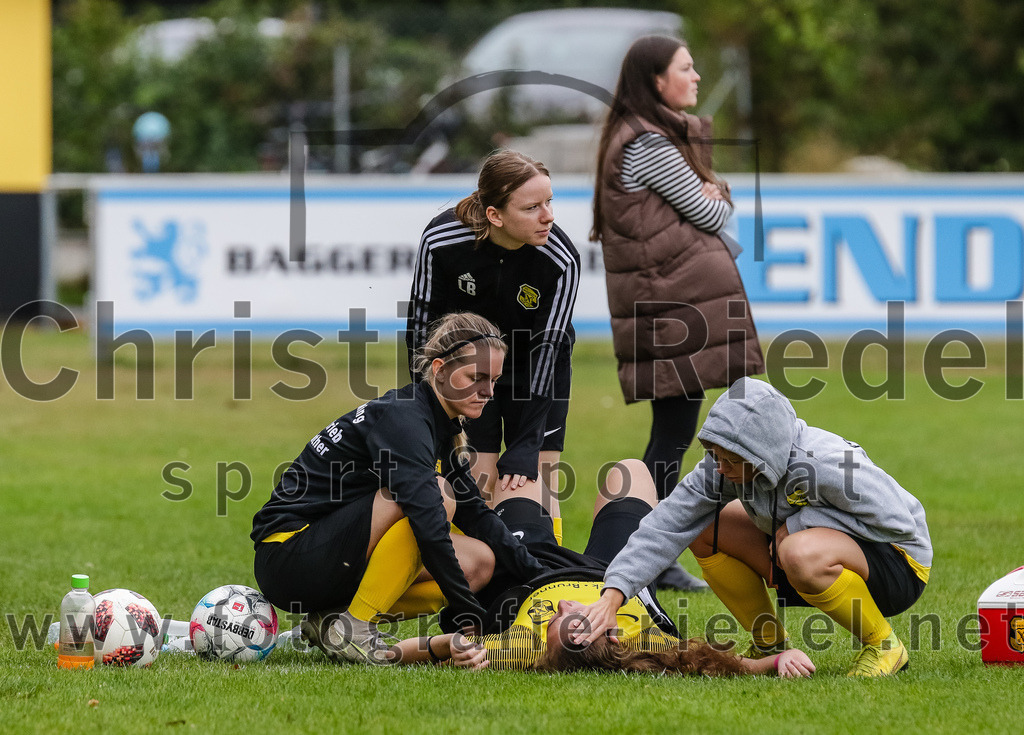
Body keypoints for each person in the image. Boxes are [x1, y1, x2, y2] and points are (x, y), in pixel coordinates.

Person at [573, 378, 932, 678]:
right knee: (703, 528)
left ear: (765, 453)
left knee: (798, 549)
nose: (719, 469)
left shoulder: (825, 463)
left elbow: (899, 524)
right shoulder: (723, 462)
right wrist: (613, 594)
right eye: (715, 455)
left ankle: (883, 645)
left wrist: (799, 525)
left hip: (899, 565)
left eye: (730, 460)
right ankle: (770, 643)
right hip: (809, 551)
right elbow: (667, 524)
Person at [251, 312, 546, 664]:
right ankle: (355, 628)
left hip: (325, 556)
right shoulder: (404, 419)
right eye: (476, 378)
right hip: (288, 555)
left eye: (494, 380)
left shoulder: (438, 423)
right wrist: (472, 617)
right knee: (437, 496)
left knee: (480, 562)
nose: (488, 392)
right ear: (439, 369)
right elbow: (430, 528)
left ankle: (331, 621)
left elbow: (478, 517)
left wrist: (541, 576)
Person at [591, 35, 765, 590]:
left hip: (674, 305)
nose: (695, 77)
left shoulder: (641, 137)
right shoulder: (647, 144)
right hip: (674, 309)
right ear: (655, 81)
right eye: (686, 68)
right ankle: (651, 555)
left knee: (678, 431)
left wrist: (713, 189)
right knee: (677, 434)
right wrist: (719, 192)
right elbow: (709, 212)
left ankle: (652, 553)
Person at [387, 458, 814, 678]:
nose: (562, 608)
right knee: (629, 472)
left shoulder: (522, 649)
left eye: (552, 621)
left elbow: (426, 649)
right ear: (608, 632)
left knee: (521, 480)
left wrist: (439, 648)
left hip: (527, 575)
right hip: (611, 571)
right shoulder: (643, 642)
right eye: (573, 616)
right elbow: (721, 664)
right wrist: (779, 661)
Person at [407, 150, 580, 540]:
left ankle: (549, 575)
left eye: (549, 202)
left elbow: (548, 349)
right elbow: (421, 325)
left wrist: (527, 442)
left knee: (536, 481)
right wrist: (424, 402)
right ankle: (478, 585)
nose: (548, 216)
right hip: (471, 374)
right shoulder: (442, 240)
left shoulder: (561, 258)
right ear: (495, 215)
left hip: (537, 372)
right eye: (532, 207)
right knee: (477, 485)